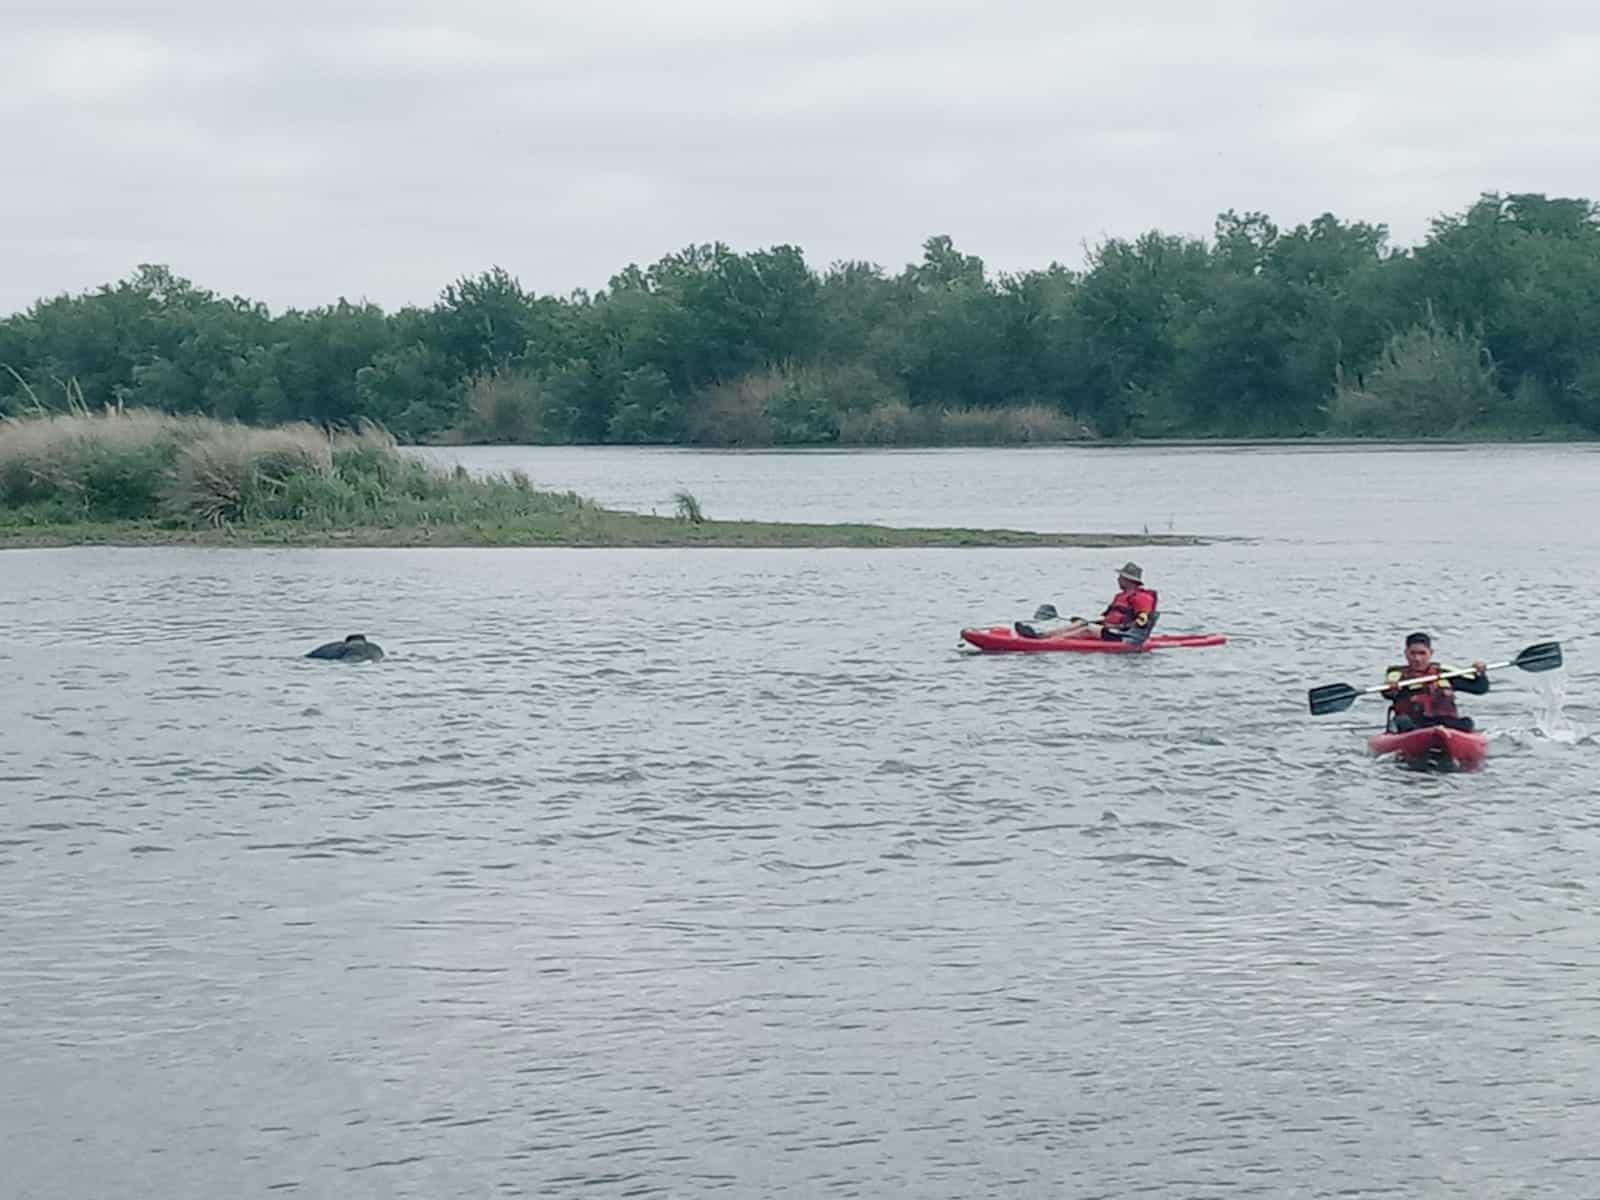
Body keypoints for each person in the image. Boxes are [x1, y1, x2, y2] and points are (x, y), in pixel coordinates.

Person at [1016, 562, 1159, 643]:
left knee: (1088, 629)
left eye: (1120, 577)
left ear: (1128, 580)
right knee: (1081, 623)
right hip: (1113, 630)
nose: (1118, 580)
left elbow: (1142, 620)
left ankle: (1049, 642)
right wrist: (1102, 623)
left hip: (1127, 636)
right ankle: (1041, 636)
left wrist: (1121, 626)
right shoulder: (1121, 595)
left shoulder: (1142, 597)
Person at [1382, 632, 1487, 732]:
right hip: (1413, 724)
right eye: (1412, 653)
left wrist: (1480, 673)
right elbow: (1387, 693)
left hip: (1443, 722)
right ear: (1406, 653)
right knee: (1402, 720)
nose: (1417, 659)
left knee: (1467, 723)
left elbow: (1480, 688)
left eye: (1422, 653)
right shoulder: (1396, 674)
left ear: (1431, 653)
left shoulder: (1445, 673)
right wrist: (1390, 689)